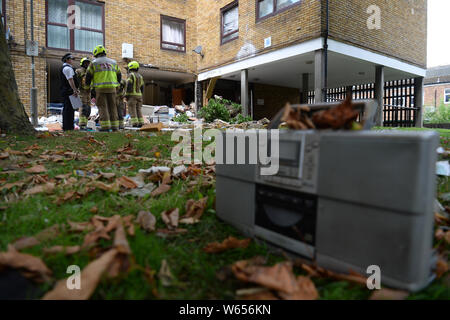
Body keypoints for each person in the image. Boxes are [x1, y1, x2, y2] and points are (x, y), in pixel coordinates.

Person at [85, 45, 121, 132]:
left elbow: (88, 76)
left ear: (96, 54)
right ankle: (115, 127)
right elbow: (119, 75)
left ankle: (105, 126)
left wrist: (87, 87)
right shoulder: (113, 62)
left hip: (100, 89)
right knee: (113, 106)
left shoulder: (94, 63)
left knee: (102, 107)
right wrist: (117, 85)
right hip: (112, 88)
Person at [60, 53, 79, 131]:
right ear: (67, 60)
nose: (72, 61)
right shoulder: (67, 68)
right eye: (71, 59)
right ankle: (68, 127)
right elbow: (70, 80)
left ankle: (68, 126)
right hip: (69, 91)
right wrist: (74, 90)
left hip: (67, 91)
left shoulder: (66, 68)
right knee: (69, 110)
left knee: (70, 109)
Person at [125, 61, 145, 128]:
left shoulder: (131, 75)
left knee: (132, 109)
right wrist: (141, 95)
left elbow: (129, 85)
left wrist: (126, 95)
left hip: (132, 95)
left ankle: (135, 123)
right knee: (138, 109)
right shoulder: (140, 76)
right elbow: (142, 87)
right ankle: (141, 122)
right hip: (139, 95)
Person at [75, 57, 91, 130]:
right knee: (83, 107)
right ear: (82, 63)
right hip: (82, 91)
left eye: (88, 63)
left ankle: (85, 123)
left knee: (88, 108)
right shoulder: (78, 71)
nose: (87, 64)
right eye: (85, 63)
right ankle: (82, 124)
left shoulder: (90, 71)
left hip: (88, 92)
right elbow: (76, 81)